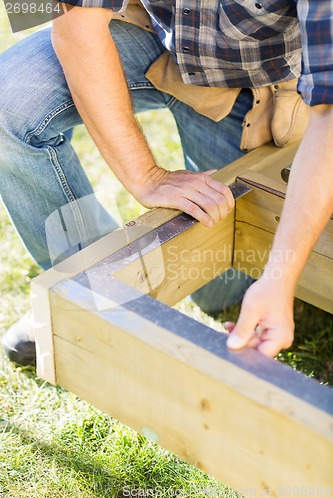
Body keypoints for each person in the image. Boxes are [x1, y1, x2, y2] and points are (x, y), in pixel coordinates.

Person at [0, 1, 331, 365]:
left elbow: (329, 117)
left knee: (215, 291)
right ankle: (90, 299)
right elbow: (77, 21)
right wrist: (145, 176)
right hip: (156, 37)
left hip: (250, 87)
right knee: (8, 104)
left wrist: (279, 280)